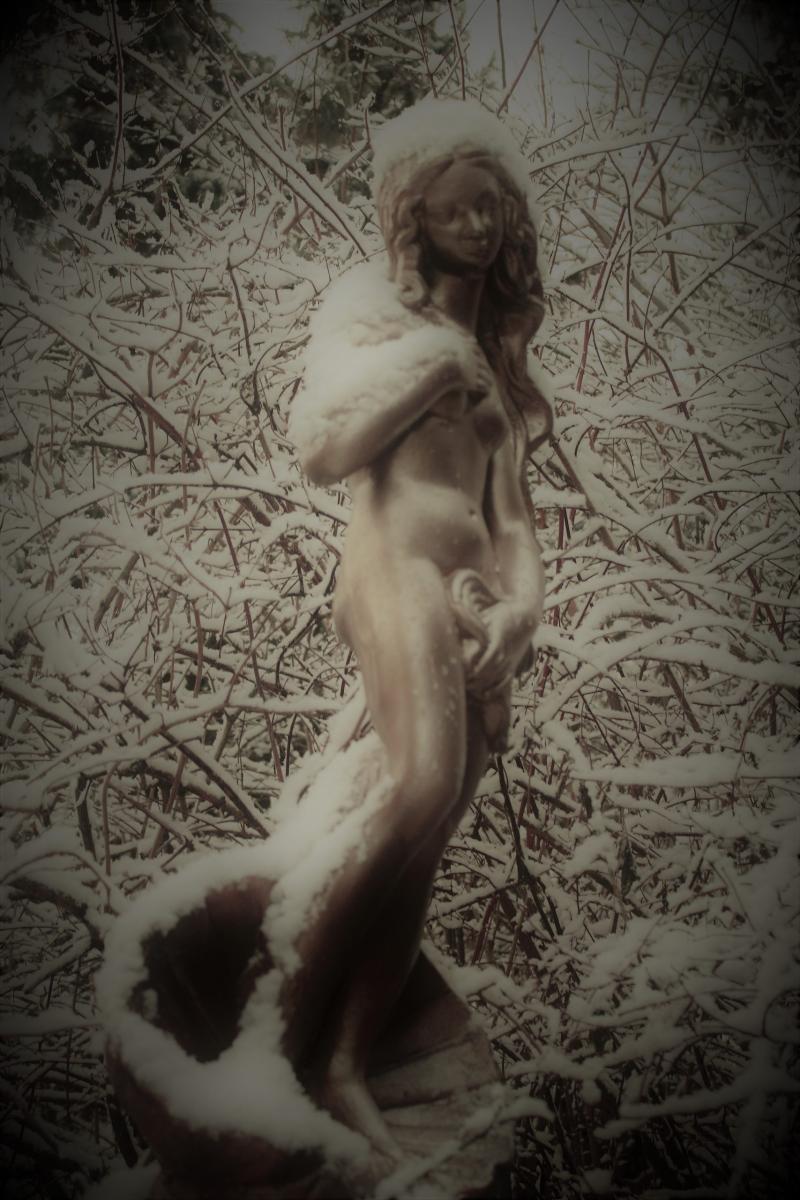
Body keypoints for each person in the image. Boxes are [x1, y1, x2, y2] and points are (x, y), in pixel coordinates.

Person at [286, 98, 552, 1169]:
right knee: (417, 786)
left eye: (493, 208)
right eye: (457, 208)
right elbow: (323, 448)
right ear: (416, 218)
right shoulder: (376, 316)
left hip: (474, 599)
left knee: (431, 832)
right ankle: (275, 1026)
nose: (480, 227)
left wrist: (521, 610)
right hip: (392, 564)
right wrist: (433, 370)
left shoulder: (499, 357)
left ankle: (346, 1060)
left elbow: (513, 521)